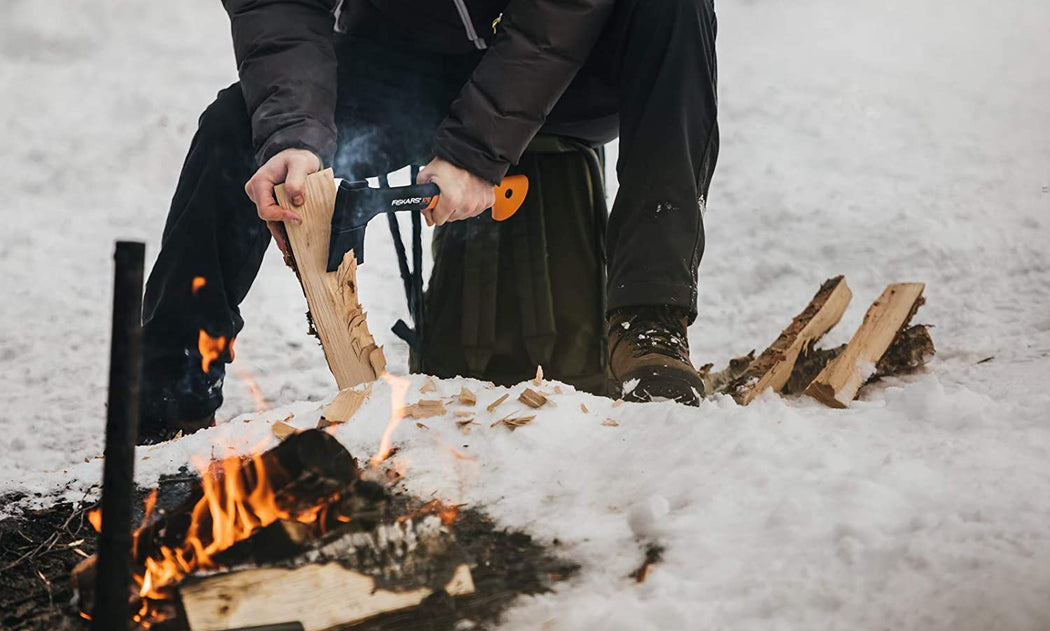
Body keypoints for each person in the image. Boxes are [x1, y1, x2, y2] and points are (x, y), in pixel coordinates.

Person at [138, 0, 719, 443]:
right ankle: (170, 404)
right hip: (407, 68)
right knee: (234, 128)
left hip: (574, 63)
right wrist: (294, 134)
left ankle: (649, 327)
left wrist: (476, 148)